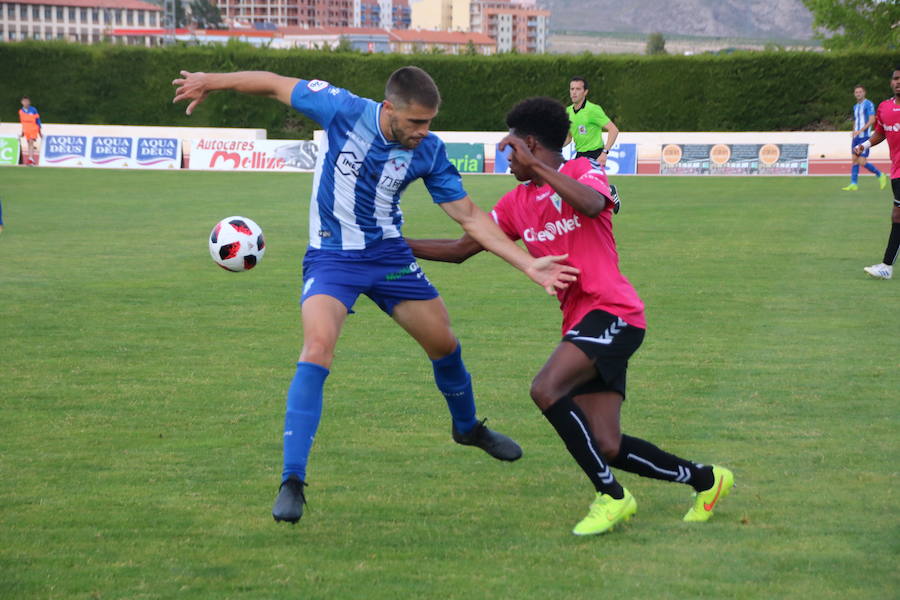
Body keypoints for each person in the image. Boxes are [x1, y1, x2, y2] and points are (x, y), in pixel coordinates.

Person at [171, 67, 579, 524]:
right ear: (390, 109)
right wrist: (210, 80)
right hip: (332, 259)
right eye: (416, 123)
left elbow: (468, 216)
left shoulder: (428, 150)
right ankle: (292, 480)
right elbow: (273, 83)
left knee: (444, 343)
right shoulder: (342, 110)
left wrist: (527, 264)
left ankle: (466, 428)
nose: (424, 132)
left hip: (388, 256)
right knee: (317, 349)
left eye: (429, 122)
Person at [407, 97, 734, 536]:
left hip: (615, 312)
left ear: (530, 145)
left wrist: (540, 169)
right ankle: (707, 480)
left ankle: (612, 497)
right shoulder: (514, 203)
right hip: (581, 325)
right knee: (607, 444)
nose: (505, 160)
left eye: (510, 150)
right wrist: (394, 243)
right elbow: (463, 249)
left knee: (545, 388)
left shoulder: (582, 171)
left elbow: (595, 206)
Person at [856, 67, 900, 280]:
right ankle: (887, 266)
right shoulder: (884, 107)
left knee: (897, 215)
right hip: (896, 171)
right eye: (895, 78)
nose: (898, 82)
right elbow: (880, 133)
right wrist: (864, 145)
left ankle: (886, 266)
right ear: (891, 82)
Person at [564, 77, 618, 169]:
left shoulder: (593, 110)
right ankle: (608, 185)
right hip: (580, 155)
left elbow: (613, 130)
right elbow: (569, 137)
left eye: (578, 89)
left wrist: (604, 153)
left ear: (585, 92)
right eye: (572, 89)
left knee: (585, 182)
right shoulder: (568, 111)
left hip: (594, 155)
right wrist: (553, 149)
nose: (574, 92)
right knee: (572, 182)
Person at [842, 85, 888, 192]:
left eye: (860, 92)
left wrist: (860, 131)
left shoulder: (869, 104)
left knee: (862, 161)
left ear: (864, 93)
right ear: (854, 94)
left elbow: (872, 120)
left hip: (865, 137)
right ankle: (854, 184)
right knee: (854, 160)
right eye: (856, 92)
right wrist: (854, 132)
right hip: (856, 137)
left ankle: (880, 174)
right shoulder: (855, 106)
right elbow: (855, 120)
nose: (858, 94)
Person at [18, 96, 42, 166]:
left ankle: (31, 158)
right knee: (29, 143)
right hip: (26, 130)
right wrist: (22, 132)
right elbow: (22, 122)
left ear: (29, 102)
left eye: (27, 101)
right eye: (24, 101)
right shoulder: (21, 111)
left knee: (31, 141)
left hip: (33, 128)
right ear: (22, 102)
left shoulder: (33, 110)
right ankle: (30, 158)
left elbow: (38, 120)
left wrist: (40, 132)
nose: (26, 103)